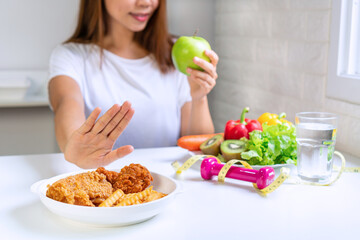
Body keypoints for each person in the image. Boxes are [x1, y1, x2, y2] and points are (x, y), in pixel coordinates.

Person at [48, 0, 219, 169]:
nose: (146, 2)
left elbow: (197, 145)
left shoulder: (176, 52)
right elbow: (66, 103)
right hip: (102, 186)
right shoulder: (70, 57)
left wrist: (199, 98)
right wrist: (73, 145)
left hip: (168, 186)